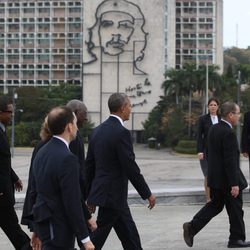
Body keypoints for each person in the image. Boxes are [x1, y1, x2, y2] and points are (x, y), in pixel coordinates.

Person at [85, 93, 156, 250]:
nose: (131, 109)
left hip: (110, 196)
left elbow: (89, 166)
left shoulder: (97, 131)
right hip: (113, 196)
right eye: (130, 106)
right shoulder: (121, 133)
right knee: (97, 239)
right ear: (122, 108)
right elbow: (130, 168)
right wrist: (147, 193)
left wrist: (90, 196)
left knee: (130, 236)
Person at [183, 102, 250, 248]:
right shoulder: (228, 133)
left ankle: (192, 227)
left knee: (215, 205)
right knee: (236, 209)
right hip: (228, 180)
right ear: (230, 115)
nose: (239, 117)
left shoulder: (214, 129)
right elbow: (230, 161)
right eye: (237, 114)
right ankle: (236, 239)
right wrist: (234, 184)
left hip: (216, 179)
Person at [30, 106, 95, 250]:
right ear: (69, 127)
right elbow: (72, 201)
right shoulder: (67, 158)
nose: (77, 128)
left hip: (45, 224)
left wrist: (37, 228)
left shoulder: (42, 151)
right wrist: (85, 239)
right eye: (76, 123)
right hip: (59, 227)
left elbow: (37, 192)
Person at [0, 95, 32, 250]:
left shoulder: (2, 130)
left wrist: (14, 177)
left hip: (4, 193)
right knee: (14, 231)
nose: (12, 115)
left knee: (13, 230)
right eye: (9, 112)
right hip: (1, 196)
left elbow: (2, 161)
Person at [66, 100, 97, 234]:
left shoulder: (75, 135)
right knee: (85, 236)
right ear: (76, 113)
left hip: (76, 196)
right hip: (74, 196)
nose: (86, 117)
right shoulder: (71, 138)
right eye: (85, 114)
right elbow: (76, 170)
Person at [196, 97, 220, 202]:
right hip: (206, 152)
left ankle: (217, 197)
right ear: (208, 107)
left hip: (219, 152)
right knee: (208, 175)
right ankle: (208, 198)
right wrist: (200, 151)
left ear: (218, 107)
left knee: (218, 174)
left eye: (215, 105)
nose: (213, 107)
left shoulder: (221, 119)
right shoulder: (203, 119)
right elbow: (199, 136)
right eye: (211, 105)